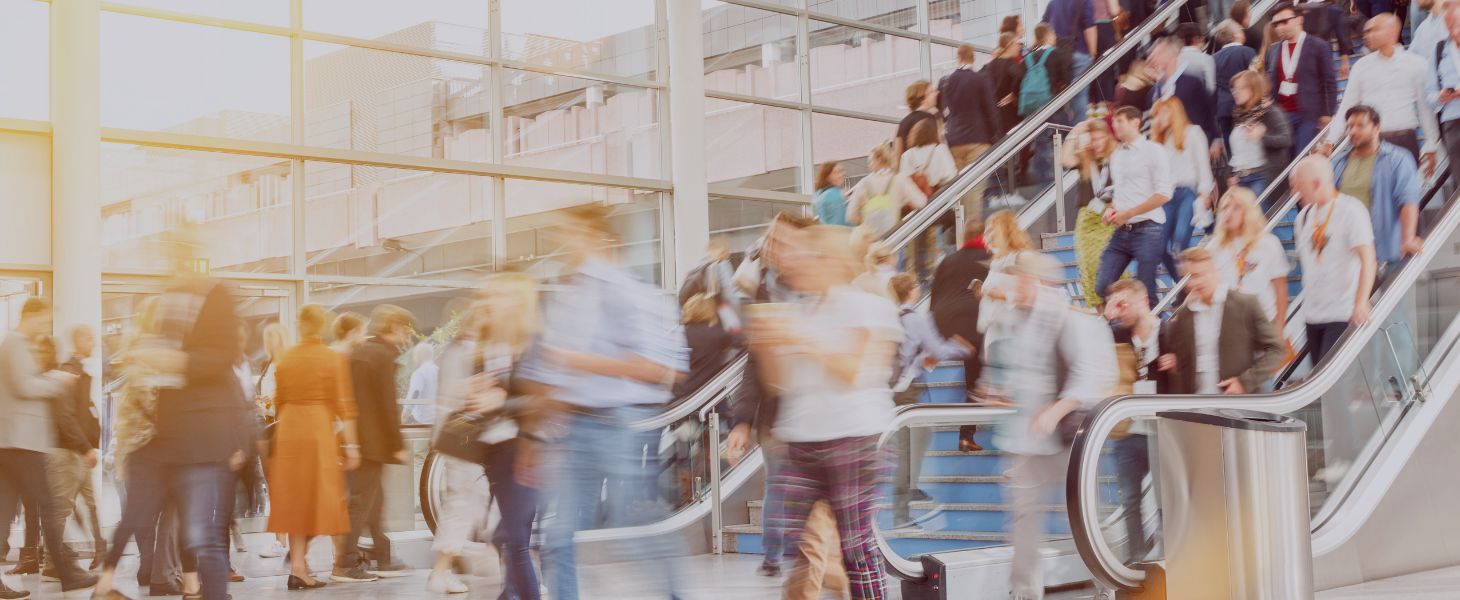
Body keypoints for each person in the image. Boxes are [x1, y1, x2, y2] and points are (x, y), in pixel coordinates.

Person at [520, 204, 690, 600]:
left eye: (570, 233)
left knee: (634, 527)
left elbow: (662, 368)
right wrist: (533, 439)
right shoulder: (569, 297)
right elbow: (555, 376)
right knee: (556, 534)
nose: (562, 243)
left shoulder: (630, 294)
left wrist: (579, 362)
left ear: (600, 238)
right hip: (575, 427)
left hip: (621, 422)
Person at [748, 225, 903, 600]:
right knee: (796, 539)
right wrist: (766, 346)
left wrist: (797, 335)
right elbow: (780, 383)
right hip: (801, 438)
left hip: (854, 436)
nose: (792, 261)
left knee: (855, 546)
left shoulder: (869, 307)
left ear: (830, 262)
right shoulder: (800, 310)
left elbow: (851, 370)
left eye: (804, 254)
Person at [985, 251, 1116, 600]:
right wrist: (999, 393)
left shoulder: (1069, 319)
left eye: (1023, 278)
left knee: (1082, 518)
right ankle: (1025, 592)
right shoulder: (1014, 319)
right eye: (1016, 278)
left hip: (1066, 439)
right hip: (1025, 441)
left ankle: (1107, 585)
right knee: (1023, 518)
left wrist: (1056, 410)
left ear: (1038, 282)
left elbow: (1091, 375)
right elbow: (1019, 371)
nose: (1017, 285)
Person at [429, 272, 545, 597]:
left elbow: (546, 399)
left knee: (515, 541)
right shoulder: (487, 343)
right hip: (494, 450)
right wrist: (474, 390)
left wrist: (503, 400)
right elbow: (486, 390)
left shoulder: (534, 341)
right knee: (507, 537)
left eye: (496, 296)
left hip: (528, 449)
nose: (487, 303)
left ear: (516, 302)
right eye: (487, 296)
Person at [0, 299, 96, 599]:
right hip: (21, 443)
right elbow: (24, 387)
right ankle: (66, 574)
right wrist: (57, 380)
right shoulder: (15, 343)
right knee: (49, 507)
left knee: (7, 513)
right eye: (42, 322)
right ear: (31, 316)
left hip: (18, 443)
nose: (44, 328)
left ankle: (65, 572)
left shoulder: (20, 345)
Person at [267, 304, 365, 589]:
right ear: (322, 326)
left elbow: (278, 401)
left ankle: (299, 566)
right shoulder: (330, 358)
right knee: (322, 499)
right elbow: (344, 406)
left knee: (297, 500)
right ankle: (328, 563)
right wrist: (353, 445)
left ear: (300, 326)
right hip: (316, 432)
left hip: (289, 431)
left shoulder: (287, 359)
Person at [888, 273, 972, 529]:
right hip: (908, 390)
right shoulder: (915, 318)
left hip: (891, 389)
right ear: (912, 291)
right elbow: (937, 349)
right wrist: (964, 349)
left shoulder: (892, 317)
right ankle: (902, 509)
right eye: (916, 285)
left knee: (906, 447)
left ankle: (904, 503)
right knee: (911, 447)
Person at [337, 305, 414, 582]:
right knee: (362, 503)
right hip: (373, 442)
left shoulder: (361, 353)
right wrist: (397, 443)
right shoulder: (382, 356)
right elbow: (387, 405)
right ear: (394, 327)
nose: (407, 335)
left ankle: (382, 556)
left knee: (372, 500)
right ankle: (345, 563)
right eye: (405, 328)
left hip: (358, 439)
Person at [1156, 247, 1286, 395]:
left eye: (1198, 275)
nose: (1193, 283)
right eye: (1188, 277)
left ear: (1215, 272)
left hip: (1238, 406)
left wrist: (1244, 382)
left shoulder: (1245, 304)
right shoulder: (1185, 314)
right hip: (1197, 407)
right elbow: (1182, 365)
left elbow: (1276, 350)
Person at [1322, 13, 1440, 167]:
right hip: (1368, 142)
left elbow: (1425, 109)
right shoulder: (1361, 66)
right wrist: (1330, 140)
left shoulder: (1416, 64)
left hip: (1404, 140)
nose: (1367, 35)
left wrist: (1431, 144)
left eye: (1373, 30)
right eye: (1366, 32)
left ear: (1392, 31)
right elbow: (1347, 107)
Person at [1102, 279, 1164, 563]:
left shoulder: (1169, 332)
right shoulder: (1116, 334)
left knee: (1168, 499)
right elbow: (1089, 340)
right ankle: (1136, 559)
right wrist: (1107, 313)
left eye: (1125, 303)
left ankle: (1168, 554)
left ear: (1145, 301)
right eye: (1118, 305)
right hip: (1128, 431)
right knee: (1130, 499)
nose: (1122, 310)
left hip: (1163, 430)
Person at [1292, 156, 1377, 363]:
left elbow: (1368, 259)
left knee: (1332, 385)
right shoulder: (1302, 218)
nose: (1295, 193)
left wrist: (1361, 302)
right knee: (1318, 385)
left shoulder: (1351, 210)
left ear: (1317, 183)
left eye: (1299, 186)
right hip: (1313, 315)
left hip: (1342, 313)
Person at [1096, 106, 1174, 308]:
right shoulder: (1116, 155)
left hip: (1148, 229)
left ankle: (1154, 332)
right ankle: (1125, 324)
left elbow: (1164, 194)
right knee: (1103, 285)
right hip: (1121, 231)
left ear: (1136, 122)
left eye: (1120, 121)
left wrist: (1128, 213)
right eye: (1114, 122)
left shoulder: (1154, 151)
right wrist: (1112, 210)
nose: (1115, 126)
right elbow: (1121, 193)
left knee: (1146, 289)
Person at [1331, 105, 1424, 272]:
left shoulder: (1398, 159)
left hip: (1387, 255)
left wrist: (1408, 238)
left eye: (1360, 125)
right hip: (1348, 256)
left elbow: (1408, 200)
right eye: (1350, 126)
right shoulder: (1337, 162)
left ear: (1376, 128)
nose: (1353, 131)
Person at [928, 219, 992, 450]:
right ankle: (966, 434)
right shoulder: (990, 257)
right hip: (974, 324)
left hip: (945, 324)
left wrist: (932, 333)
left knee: (972, 372)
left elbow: (934, 296)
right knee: (976, 379)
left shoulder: (948, 260)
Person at [1209, 187, 1294, 341]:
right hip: (1231, 328)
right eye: (1225, 208)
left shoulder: (1268, 243)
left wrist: (1279, 328)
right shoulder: (1215, 247)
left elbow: (1281, 290)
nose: (1228, 213)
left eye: (1236, 208)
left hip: (1264, 323)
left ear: (1248, 211)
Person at [54, 325, 106, 572]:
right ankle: (56, 559)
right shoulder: (69, 372)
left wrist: (91, 445)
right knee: (65, 507)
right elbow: (67, 416)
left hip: (81, 451)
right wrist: (86, 447)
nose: (93, 343)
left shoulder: (81, 372)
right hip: (72, 451)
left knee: (88, 503)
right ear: (77, 341)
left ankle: (99, 549)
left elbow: (85, 412)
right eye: (89, 339)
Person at [1150, 97, 1217, 282]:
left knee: (1180, 240)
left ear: (1174, 112)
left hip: (1187, 192)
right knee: (1158, 245)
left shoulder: (1193, 132)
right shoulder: (1159, 140)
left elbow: (1203, 166)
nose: (1159, 118)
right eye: (1156, 114)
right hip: (1166, 196)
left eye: (1163, 112)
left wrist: (1205, 193)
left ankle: (1185, 286)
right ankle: (1183, 284)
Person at [1060, 117, 1120, 308]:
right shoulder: (1086, 158)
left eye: (1100, 138)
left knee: (1110, 263)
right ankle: (1100, 311)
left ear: (1108, 137)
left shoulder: (1118, 156)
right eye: (1093, 139)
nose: (1097, 143)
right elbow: (1065, 159)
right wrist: (1076, 131)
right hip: (1087, 219)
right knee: (1088, 265)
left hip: (1110, 214)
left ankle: (1116, 306)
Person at [938, 44, 1001, 221]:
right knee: (974, 188)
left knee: (959, 188)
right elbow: (991, 110)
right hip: (978, 140)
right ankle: (971, 232)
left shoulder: (947, 81)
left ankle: (958, 229)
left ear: (958, 58)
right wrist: (995, 135)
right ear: (973, 58)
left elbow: (944, 111)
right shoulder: (981, 79)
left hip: (954, 141)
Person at [1266, 2, 1338, 155]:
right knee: (1285, 161)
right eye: (1275, 24)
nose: (1279, 27)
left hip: (1309, 115)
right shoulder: (1273, 50)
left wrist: (1327, 113)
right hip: (1282, 116)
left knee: (1301, 157)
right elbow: (1271, 82)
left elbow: (1330, 83)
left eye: (1284, 22)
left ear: (1299, 20)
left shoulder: (1319, 46)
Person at [1148, 36, 1223, 157]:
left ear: (1171, 55)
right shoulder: (1156, 90)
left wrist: (1215, 138)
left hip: (1196, 144)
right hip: (1171, 148)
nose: (1151, 58)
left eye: (1157, 54)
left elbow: (1208, 111)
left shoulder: (1192, 81)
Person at [254, 323, 291, 561]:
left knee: (283, 488)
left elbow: (287, 399)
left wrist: (270, 403)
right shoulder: (266, 366)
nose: (268, 343)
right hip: (268, 428)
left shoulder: (287, 366)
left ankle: (285, 541)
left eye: (271, 338)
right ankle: (283, 541)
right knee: (275, 489)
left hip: (282, 430)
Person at [1228, 69, 1295, 200]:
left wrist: (1262, 137)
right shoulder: (1238, 116)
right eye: (1233, 89)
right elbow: (1236, 151)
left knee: (1255, 214)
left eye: (1239, 88)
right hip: (1240, 178)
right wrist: (1231, 174)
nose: (1235, 92)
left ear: (1253, 88)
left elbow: (1286, 139)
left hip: (1262, 177)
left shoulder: (1270, 112)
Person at [846, 143, 927, 239]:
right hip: (893, 238)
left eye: (870, 161)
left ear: (879, 159)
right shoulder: (899, 179)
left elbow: (851, 215)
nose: (869, 165)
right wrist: (902, 201)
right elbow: (921, 202)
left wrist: (863, 222)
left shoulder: (864, 183)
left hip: (870, 240)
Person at [675, 293, 741, 401]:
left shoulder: (680, 334)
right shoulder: (718, 333)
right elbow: (740, 340)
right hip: (711, 392)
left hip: (684, 394)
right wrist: (724, 308)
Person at [1042, 0, 1098, 120]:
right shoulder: (1085, 2)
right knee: (1080, 95)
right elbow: (1089, 27)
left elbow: (1043, 26)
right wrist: (1092, 53)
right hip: (1080, 52)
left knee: (1059, 95)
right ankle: (1077, 131)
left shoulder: (1053, 3)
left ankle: (1062, 131)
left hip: (1057, 55)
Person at [1426, 2, 1460, 189]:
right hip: (1453, 122)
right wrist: (1440, 96)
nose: (1454, 31)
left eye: (1457, 25)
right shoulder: (1440, 50)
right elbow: (1429, 94)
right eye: (1449, 26)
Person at [1213, 20, 1259, 144]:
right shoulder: (1248, 52)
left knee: (1231, 146)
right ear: (1235, 35)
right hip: (1245, 107)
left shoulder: (1213, 59)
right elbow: (1257, 77)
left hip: (1223, 108)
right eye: (1240, 31)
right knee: (1249, 144)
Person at [985, 32, 1027, 139]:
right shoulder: (1011, 63)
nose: (1019, 46)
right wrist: (1014, 94)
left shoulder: (990, 65)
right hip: (1011, 113)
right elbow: (1020, 77)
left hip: (995, 113)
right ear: (1009, 46)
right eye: (1017, 44)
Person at [894, 80, 940, 160]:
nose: (937, 93)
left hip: (911, 167)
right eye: (931, 92)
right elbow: (937, 145)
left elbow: (897, 152)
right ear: (922, 99)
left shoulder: (903, 122)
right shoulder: (929, 119)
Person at [1177, 22, 1218, 93]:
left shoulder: (1175, 60)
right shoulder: (1205, 59)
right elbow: (1211, 88)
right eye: (1203, 40)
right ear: (1196, 39)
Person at [406, 343, 438, 424]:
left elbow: (415, 392)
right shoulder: (439, 371)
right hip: (437, 419)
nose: (414, 359)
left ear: (420, 356)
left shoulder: (419, 373)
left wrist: (406, 411)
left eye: (415, 356)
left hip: (422, 420)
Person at [813, 162, 850, 226]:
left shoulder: (818, 195)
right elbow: (841, 222)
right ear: (828, 177)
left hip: (827, 233)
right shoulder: (835, 194)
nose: (842, 174)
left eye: (842, 171)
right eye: (837, 172)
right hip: (842, 233)